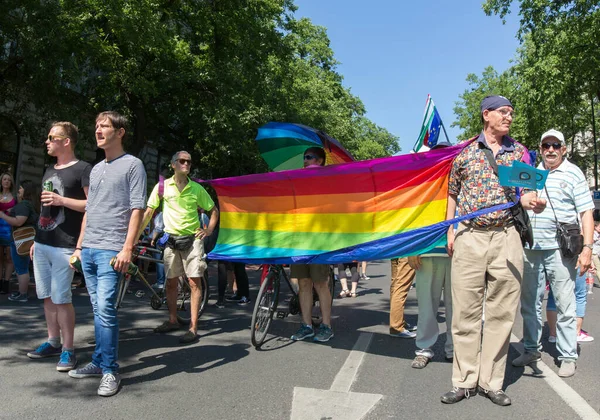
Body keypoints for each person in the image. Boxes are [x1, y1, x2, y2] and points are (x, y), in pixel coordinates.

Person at [441, 95, 546, 406]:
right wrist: (451, 228)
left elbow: (525, 194)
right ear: (486, 115)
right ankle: (464, 381)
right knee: (465, 313)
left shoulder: (520, 153)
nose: (509, 117)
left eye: (511, 113)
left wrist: (534, 202)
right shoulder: (464, 152)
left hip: (506, 237)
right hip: (470, 236)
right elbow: (452, 192)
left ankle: (491, 382)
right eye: (503, 112)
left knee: (501, 313)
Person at [67, 111, 147, 398]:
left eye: (105, 126)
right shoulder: (97, 168)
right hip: (88, 249)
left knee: (106, 310)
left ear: (120, 132)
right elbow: (90, 210)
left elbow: (138, 208)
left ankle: (111, 369)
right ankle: (99, 361)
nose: (98, 130)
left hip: (112, 250)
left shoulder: (133, 165)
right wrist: (79, 247)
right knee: (97, 309)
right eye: (97, 126)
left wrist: (127, 248)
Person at [512, 129, 594, 378]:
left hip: (560, 250)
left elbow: (586, 213)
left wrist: (588, 249)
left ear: (564, 149)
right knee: (529, 304)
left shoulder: (574, 173)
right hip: (531, 247)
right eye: (546, 145)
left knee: (564, 304)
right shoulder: (531, 172)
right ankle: (530, 349)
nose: (550, 150)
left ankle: (567, 355)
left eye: (555, 145)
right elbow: (517, 202)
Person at [26, 121, 91, 373]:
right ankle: (53, 341)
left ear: (66, 141)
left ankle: (69, 350)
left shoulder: (84, 169)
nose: (47, 141)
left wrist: (79, 248)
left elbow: (91, 205)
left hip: (66, 246)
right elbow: (45, 210)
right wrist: (35, 239)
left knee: (62, 299)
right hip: (43, 243)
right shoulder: (48, 169)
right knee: (46, 296)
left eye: (52, 137)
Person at [140, 151, 219, 344]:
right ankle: (173, 320)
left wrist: (208, 230)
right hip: (171, 241)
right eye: (182, 161)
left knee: (194, 283)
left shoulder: (197, 189)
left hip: (192, 241)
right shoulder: (162, 186)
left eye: (189, 162)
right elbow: (149, 211)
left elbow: (213, 210)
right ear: (173, 164)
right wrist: (133, 237)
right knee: (171, 283)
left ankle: (193, 327)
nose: (186, 164)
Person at [290, 147, 334, 343]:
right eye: (304, 158)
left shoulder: (327, 181)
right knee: (304, 283)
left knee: (320, 284)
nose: (306, 160)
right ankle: (306, 325)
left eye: (310, 158)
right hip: (299, 239)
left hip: (319, 241)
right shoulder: (297, 180)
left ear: (321, 161)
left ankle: (326, 325)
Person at [1, 180, 40, 302]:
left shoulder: (24, 205)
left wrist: (2, 215)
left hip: (20, 240)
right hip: (24, 240)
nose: (19, 190)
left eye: (21, 188)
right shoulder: (30, 204)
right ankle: (21, 292)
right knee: (21, 267)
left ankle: (22, 294)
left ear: (27, 190)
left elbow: (18, 221)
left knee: (21, 268)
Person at [546, 270, 594, 343]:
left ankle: (553, 334)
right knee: (579, 294)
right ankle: (576, 333)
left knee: (553, 295)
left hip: (555, 262)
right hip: (574, 261)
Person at [389, 257, 417, 338]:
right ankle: (396, 326)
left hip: (396, 246)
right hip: (408, 248)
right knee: (401, 286)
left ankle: (398, 321)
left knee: (396, 283)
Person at [0, 173, 16, 294]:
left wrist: (13, 210)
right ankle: (0, 281)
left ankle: (6, 282)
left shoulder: (15, 196)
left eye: (9, 180)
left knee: (9, 258)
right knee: (0, 258)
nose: (6, 181)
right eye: (4, 179)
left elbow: (19, 210)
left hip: (10, 228)